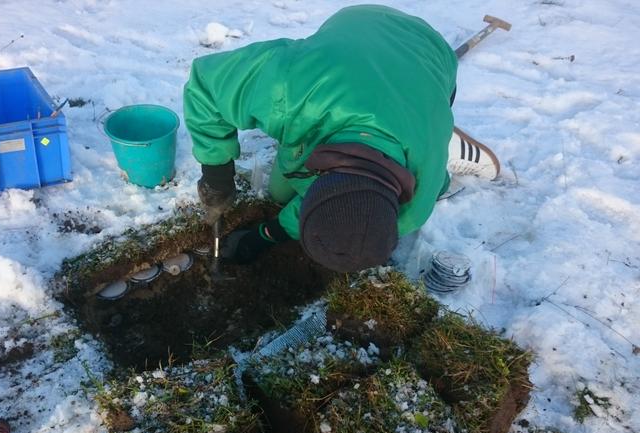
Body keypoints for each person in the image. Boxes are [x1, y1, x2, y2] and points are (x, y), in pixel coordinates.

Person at [183, 4, 498, 273]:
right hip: (362, 27)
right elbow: (207, 86)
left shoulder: (415, 208)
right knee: (280, 193)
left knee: (283, 191)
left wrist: (266, 235)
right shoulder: (289, 89)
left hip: (426, 76)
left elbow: (345, 211)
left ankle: (434, 138)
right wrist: (216, 172)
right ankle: (436, 136)